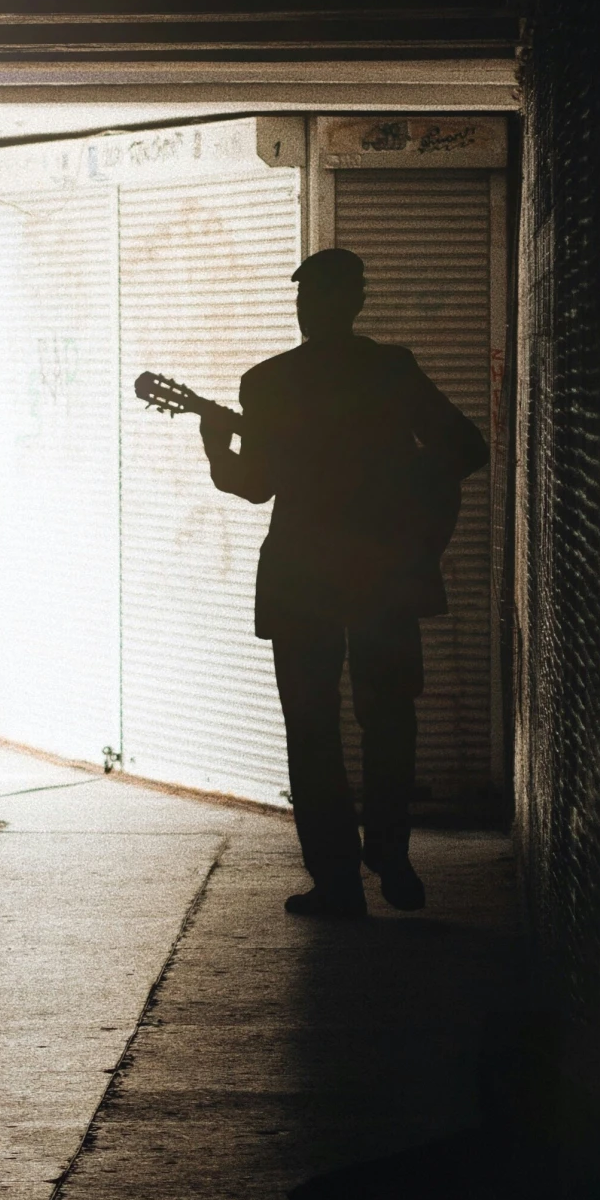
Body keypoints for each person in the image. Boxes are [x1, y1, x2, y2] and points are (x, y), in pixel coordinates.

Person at [201, 246, 488, 918]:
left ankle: (336, 881)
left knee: (312, 729)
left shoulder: (268, 382)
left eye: (311, 298)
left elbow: (253, 485)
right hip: (386, 574)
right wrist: (409, 493)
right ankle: (388, 854)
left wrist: (217, 444)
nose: (306, 310)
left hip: (301, 579)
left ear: (331, 303)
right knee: (389, 719)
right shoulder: (391, 371)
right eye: (304, 299)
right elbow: (466, 448)